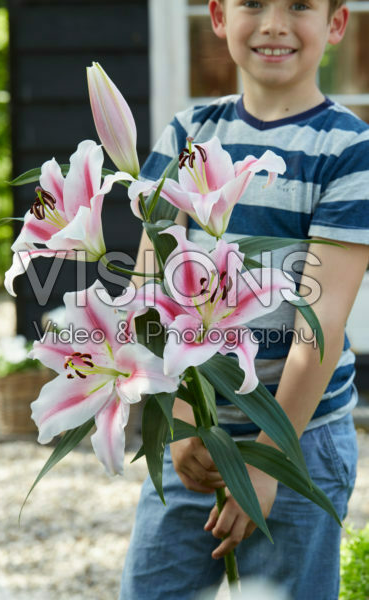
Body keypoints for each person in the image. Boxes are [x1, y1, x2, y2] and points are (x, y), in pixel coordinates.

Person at [119, 0, 369, 598]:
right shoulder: (187, 135)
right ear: (218, 16)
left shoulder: (350, 149)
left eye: (300, 6)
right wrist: (178, 423)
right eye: (252, 3)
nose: (274, 23)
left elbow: (321, 324)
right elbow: (149, 294)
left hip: (298, 438)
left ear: (336, 23)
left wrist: (266, 458)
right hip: (199, 429)